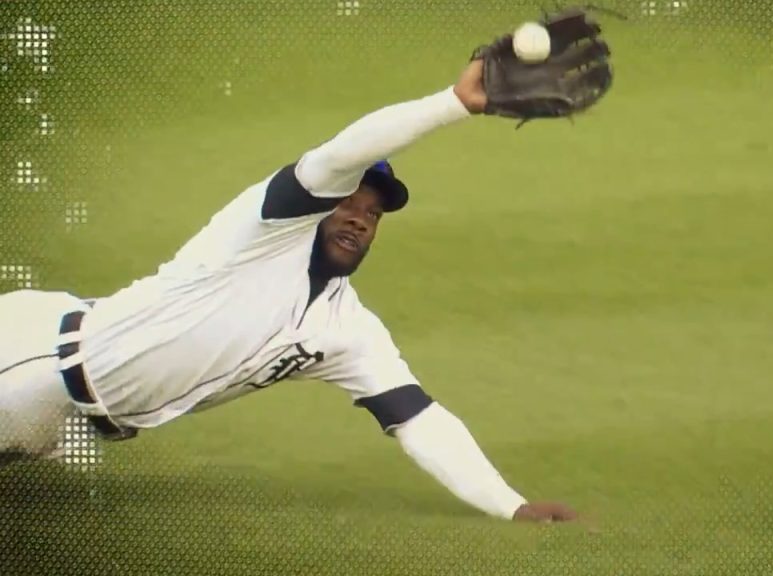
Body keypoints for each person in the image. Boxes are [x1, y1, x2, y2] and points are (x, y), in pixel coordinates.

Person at [0, 58, 579, 523]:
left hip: (67, 423)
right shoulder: (261, 231)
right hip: (30, 358)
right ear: (323, 205)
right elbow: (339, 155)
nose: (359, 219)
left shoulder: (347, 330)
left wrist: (511, 505)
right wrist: (451, 105)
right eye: (349, 204)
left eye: (373, 214)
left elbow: (419, 419)